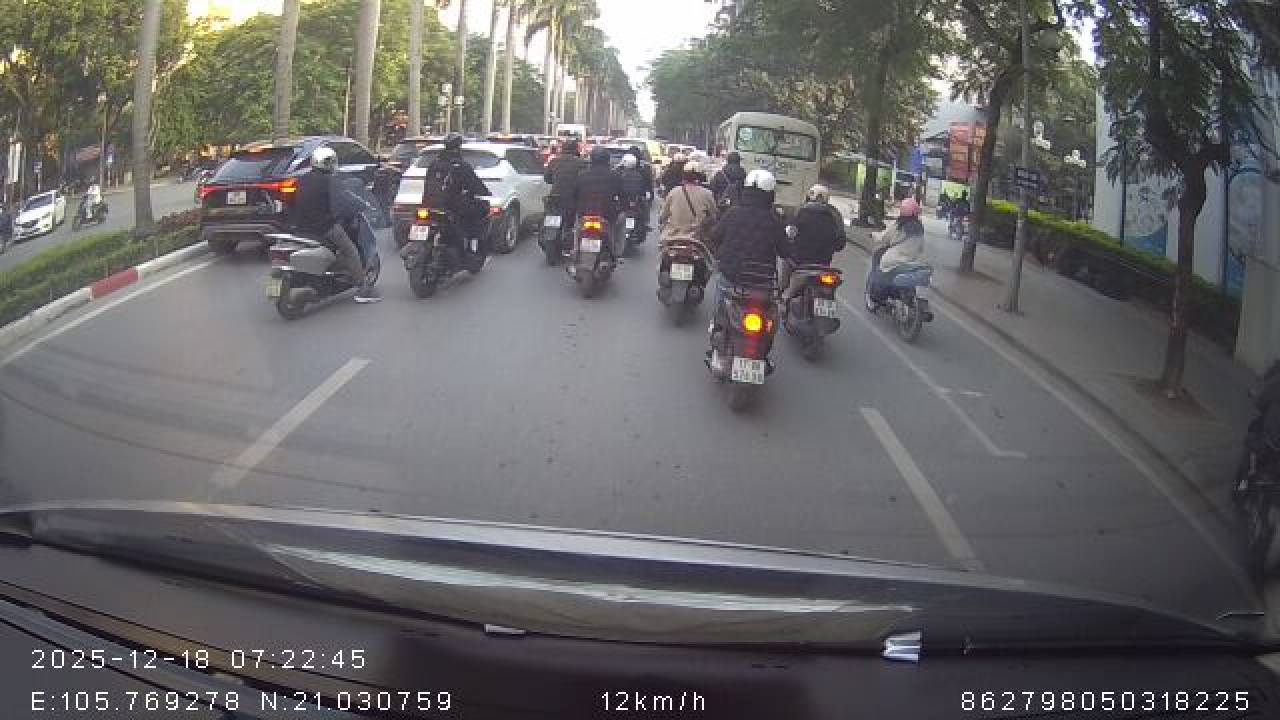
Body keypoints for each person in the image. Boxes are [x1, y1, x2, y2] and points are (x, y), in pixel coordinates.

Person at [294, 146, 381, 302]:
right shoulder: (330, 181)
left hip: (299, 226)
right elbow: (345, 200)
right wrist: (363, 206)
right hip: (323, 226)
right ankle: (363, 288)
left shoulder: (302, 179)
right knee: (350, 250)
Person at [706, 169, 786, 336]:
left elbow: (714, 236)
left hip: (732, 277)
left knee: (721, 295)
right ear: (770, 194)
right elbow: (786, 251)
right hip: (762, 281)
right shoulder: (775, 220)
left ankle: (716, 325)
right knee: (769, 320)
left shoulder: (733, 213)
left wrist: (720, 254)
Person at [422, 132, 492, 273]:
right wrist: (485, 192)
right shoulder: (461, 165)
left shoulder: (434, 164)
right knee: (482, 208)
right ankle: (470, 246)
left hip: (429, 205)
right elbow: (475, 184)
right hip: (451, 207)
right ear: (459, 147)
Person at [779, 184, 847, 299]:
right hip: (823, 265)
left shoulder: (800, 211)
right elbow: (840, 244)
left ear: (809, 197)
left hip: (799, 263)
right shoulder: (835, 215)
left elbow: (789, 233)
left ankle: (782, 294)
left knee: (786, 263)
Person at [871, 197, 927, 300]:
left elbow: (884, 237)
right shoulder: (920, 228)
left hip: (895, 260)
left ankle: (878, 295)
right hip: (913, 261)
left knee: (879, 267)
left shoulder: (899, 225)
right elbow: (921, 247)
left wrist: (874, 235)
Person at [657, 160, 717, 250]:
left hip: (672, 237)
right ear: (701, 176)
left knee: (662, 255)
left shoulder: (674, 192)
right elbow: (714, 216)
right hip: (697, 239)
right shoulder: (707, 194)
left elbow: (663, 216)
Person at [572, 145, 624, 240]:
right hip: (607, 213)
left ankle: (575, 246)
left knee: (577, 229)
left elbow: (574, 193)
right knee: (619, 222)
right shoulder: (614, 175)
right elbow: (621, 193)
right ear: (607, 159)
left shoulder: (582, 175)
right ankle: (616, 244)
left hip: (584, 212)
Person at [544, 137, 585, 251]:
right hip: (571, 199)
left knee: (550, 218)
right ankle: (567, 243)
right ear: (576, 149)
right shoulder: (581, 163)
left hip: (554, 198)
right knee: (570, 223)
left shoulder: (554, 161)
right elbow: (584, 180)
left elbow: (547, 178)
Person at [615, 152, 652, 240]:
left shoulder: (618, 174)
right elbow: (644, 189)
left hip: (624, 204)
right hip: (633, 204)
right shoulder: (639, 175)